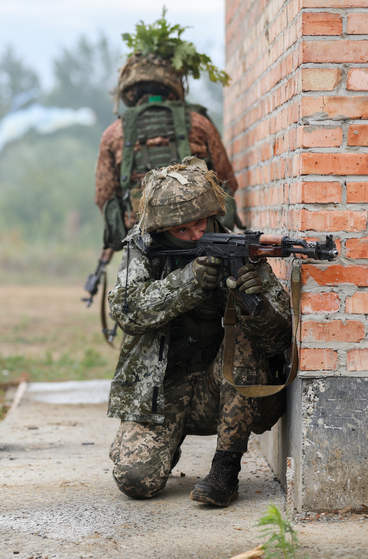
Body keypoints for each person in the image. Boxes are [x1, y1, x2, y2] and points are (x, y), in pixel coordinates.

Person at [106, 157, 292, 507]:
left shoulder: (239, 249)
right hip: (161, 392)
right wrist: (187, 282)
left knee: (245, 340)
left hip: (222, 387)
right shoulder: (144, 249)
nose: (197, 235)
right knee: (137, 480)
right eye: (183, 231)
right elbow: (127, 311)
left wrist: (256, 306)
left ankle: (225, 471)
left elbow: (281, 338)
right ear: (162, 229)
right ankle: (165, 441)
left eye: (202, 223)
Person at [95, 19, 240, 253]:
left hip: (143, 241)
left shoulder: (113, 133)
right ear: (174, 82)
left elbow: (104, 195)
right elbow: (226, 180)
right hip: (200, 238)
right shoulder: (200, 123)